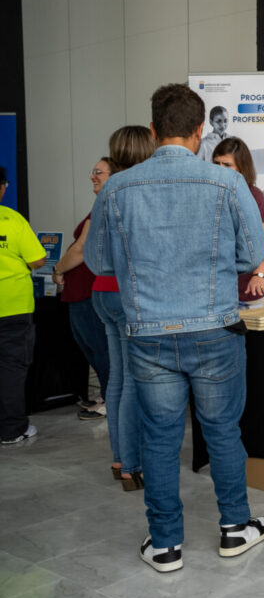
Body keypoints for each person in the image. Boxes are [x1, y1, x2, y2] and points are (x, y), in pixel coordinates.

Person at [84, 83, 264, 574]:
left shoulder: (118, 187)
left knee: (160, 437)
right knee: (223, 431)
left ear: (152, 130)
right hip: (215, 329)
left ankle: (165, 543)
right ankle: (235, 528)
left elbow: (99, 260)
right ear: (199, 131)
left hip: (147, 332)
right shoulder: (227, 184)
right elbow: (253, 255)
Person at [90, 126, 155, 490]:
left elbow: (94, 253)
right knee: (132, 379)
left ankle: (119, 459)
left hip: (102, 291)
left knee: (116, 377)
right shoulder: (139, 189)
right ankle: (132, 464)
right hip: (128, 294)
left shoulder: (109, 191)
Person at [52, 158, 113, 422]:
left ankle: (111, 399)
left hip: (90, 292)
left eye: (98, 172)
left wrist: (58, 269)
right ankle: (106, 395)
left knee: (100, 349)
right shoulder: (100, 207)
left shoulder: (104, 208)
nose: (92, 177)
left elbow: (80, 250)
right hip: (81, 293)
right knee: (91, 348)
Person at [0, 166, 47, 445]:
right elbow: (38, 260)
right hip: (13, 308)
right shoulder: (12, 219)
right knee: (11, 368)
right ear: (2, 187)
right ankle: (11, 429)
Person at [212, 137, 264, 300]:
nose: (220, 170)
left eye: (227, 165)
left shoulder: (254, 195)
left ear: (242, 167)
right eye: (216, 164)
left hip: (251, 289)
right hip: (218, 293)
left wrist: (259, 275)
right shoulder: (208, 196)